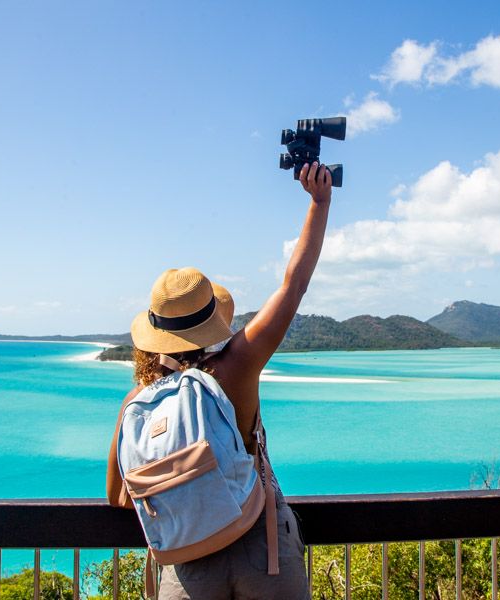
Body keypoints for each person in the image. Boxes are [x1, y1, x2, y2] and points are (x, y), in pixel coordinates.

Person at [105, 162, 332, 599]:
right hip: (261, 547)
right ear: (212, 320)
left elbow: (119, 496)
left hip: (187, 561)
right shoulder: (236, 367)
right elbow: (294, 283)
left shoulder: (139, 400)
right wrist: (319, 202)